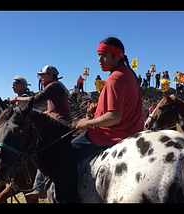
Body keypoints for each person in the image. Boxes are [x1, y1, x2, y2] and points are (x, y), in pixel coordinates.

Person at [53, 37, 144, 203]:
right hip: (132, 130)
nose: (99, 60)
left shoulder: (115, 78)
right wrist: (98, 107)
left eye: (104, 56)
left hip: (109, 134)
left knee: (63, 157)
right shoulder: (129, 74)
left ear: (117, 57)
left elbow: (114, 117)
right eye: (98, 55)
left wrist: (85, 123)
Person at [9, 65, 72, 202]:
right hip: (58, 121)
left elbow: (35, 99)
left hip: (58, 124)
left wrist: (15, 99)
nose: (41, 78)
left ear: (50, 75)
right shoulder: (56, 86)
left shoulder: (54, 85)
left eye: (43, 75)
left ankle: (39, 187)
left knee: (39, 150)